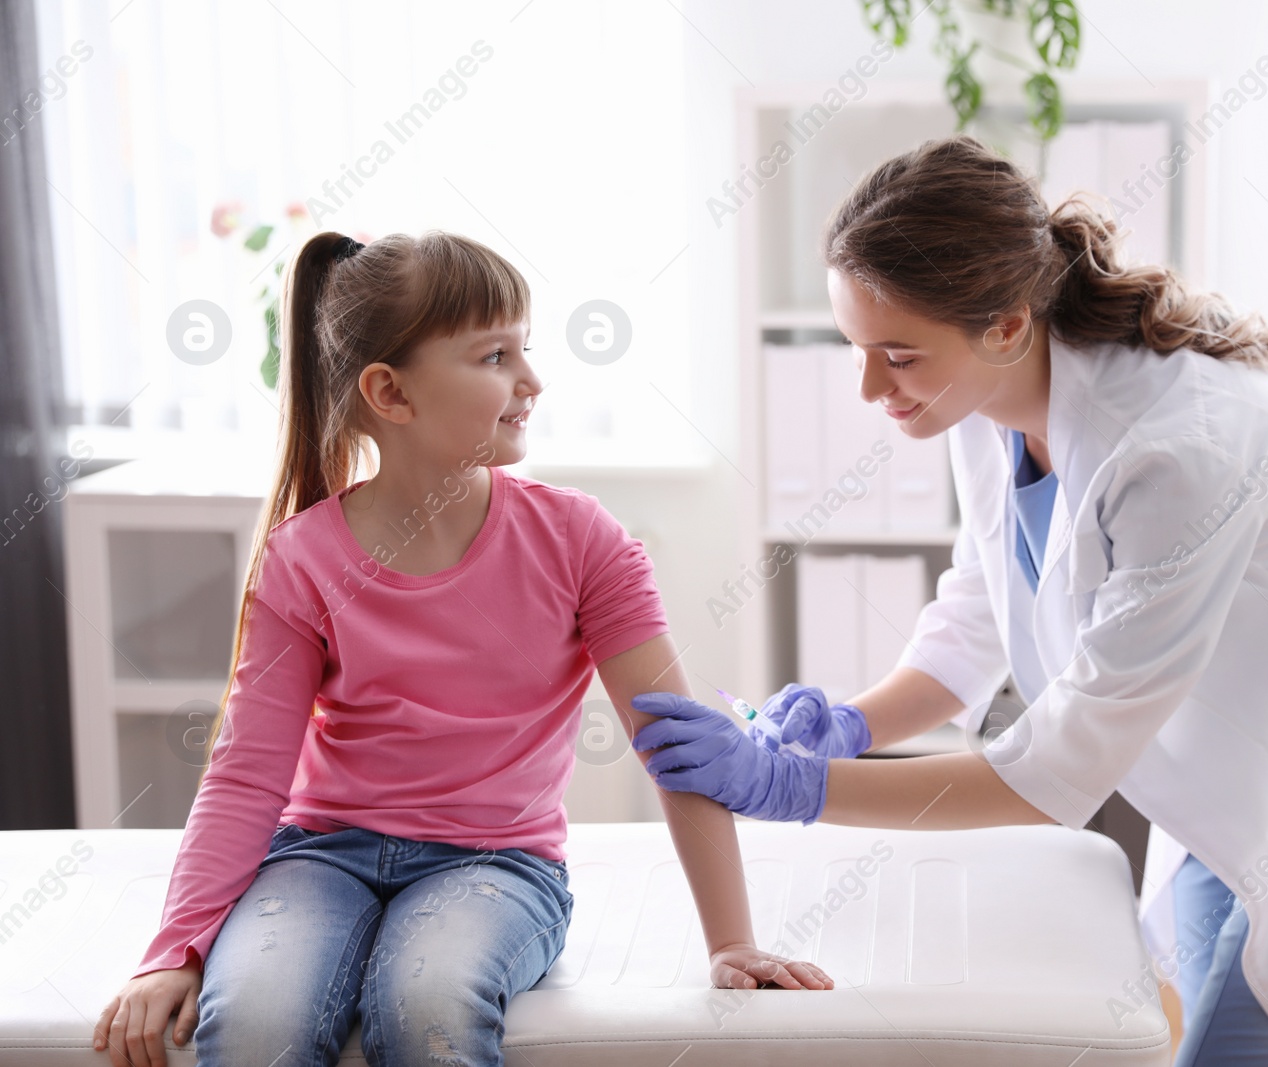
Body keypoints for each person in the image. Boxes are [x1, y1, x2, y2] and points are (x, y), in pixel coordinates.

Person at [626, 136, 1268, 1065]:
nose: (871, 384)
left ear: (1006, 322)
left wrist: (789, 787)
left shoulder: (1179, 451)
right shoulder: (985, 400)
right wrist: (847, 724)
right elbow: (977, 618)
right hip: (1243, 787)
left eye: (899, 354)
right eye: (857, 347)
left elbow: (1055, 770)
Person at [91, 231, 831, 1067]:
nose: (532, 380)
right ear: (390, 393)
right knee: (256, 1020)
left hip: (499, 864)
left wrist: (730, 940)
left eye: (526, 348)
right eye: (493, 355)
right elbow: (247, 771)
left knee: (426, 1002)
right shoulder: (303, 557)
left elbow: (676, 743)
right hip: (320, 854)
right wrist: (176, 949)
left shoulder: (582, 540)